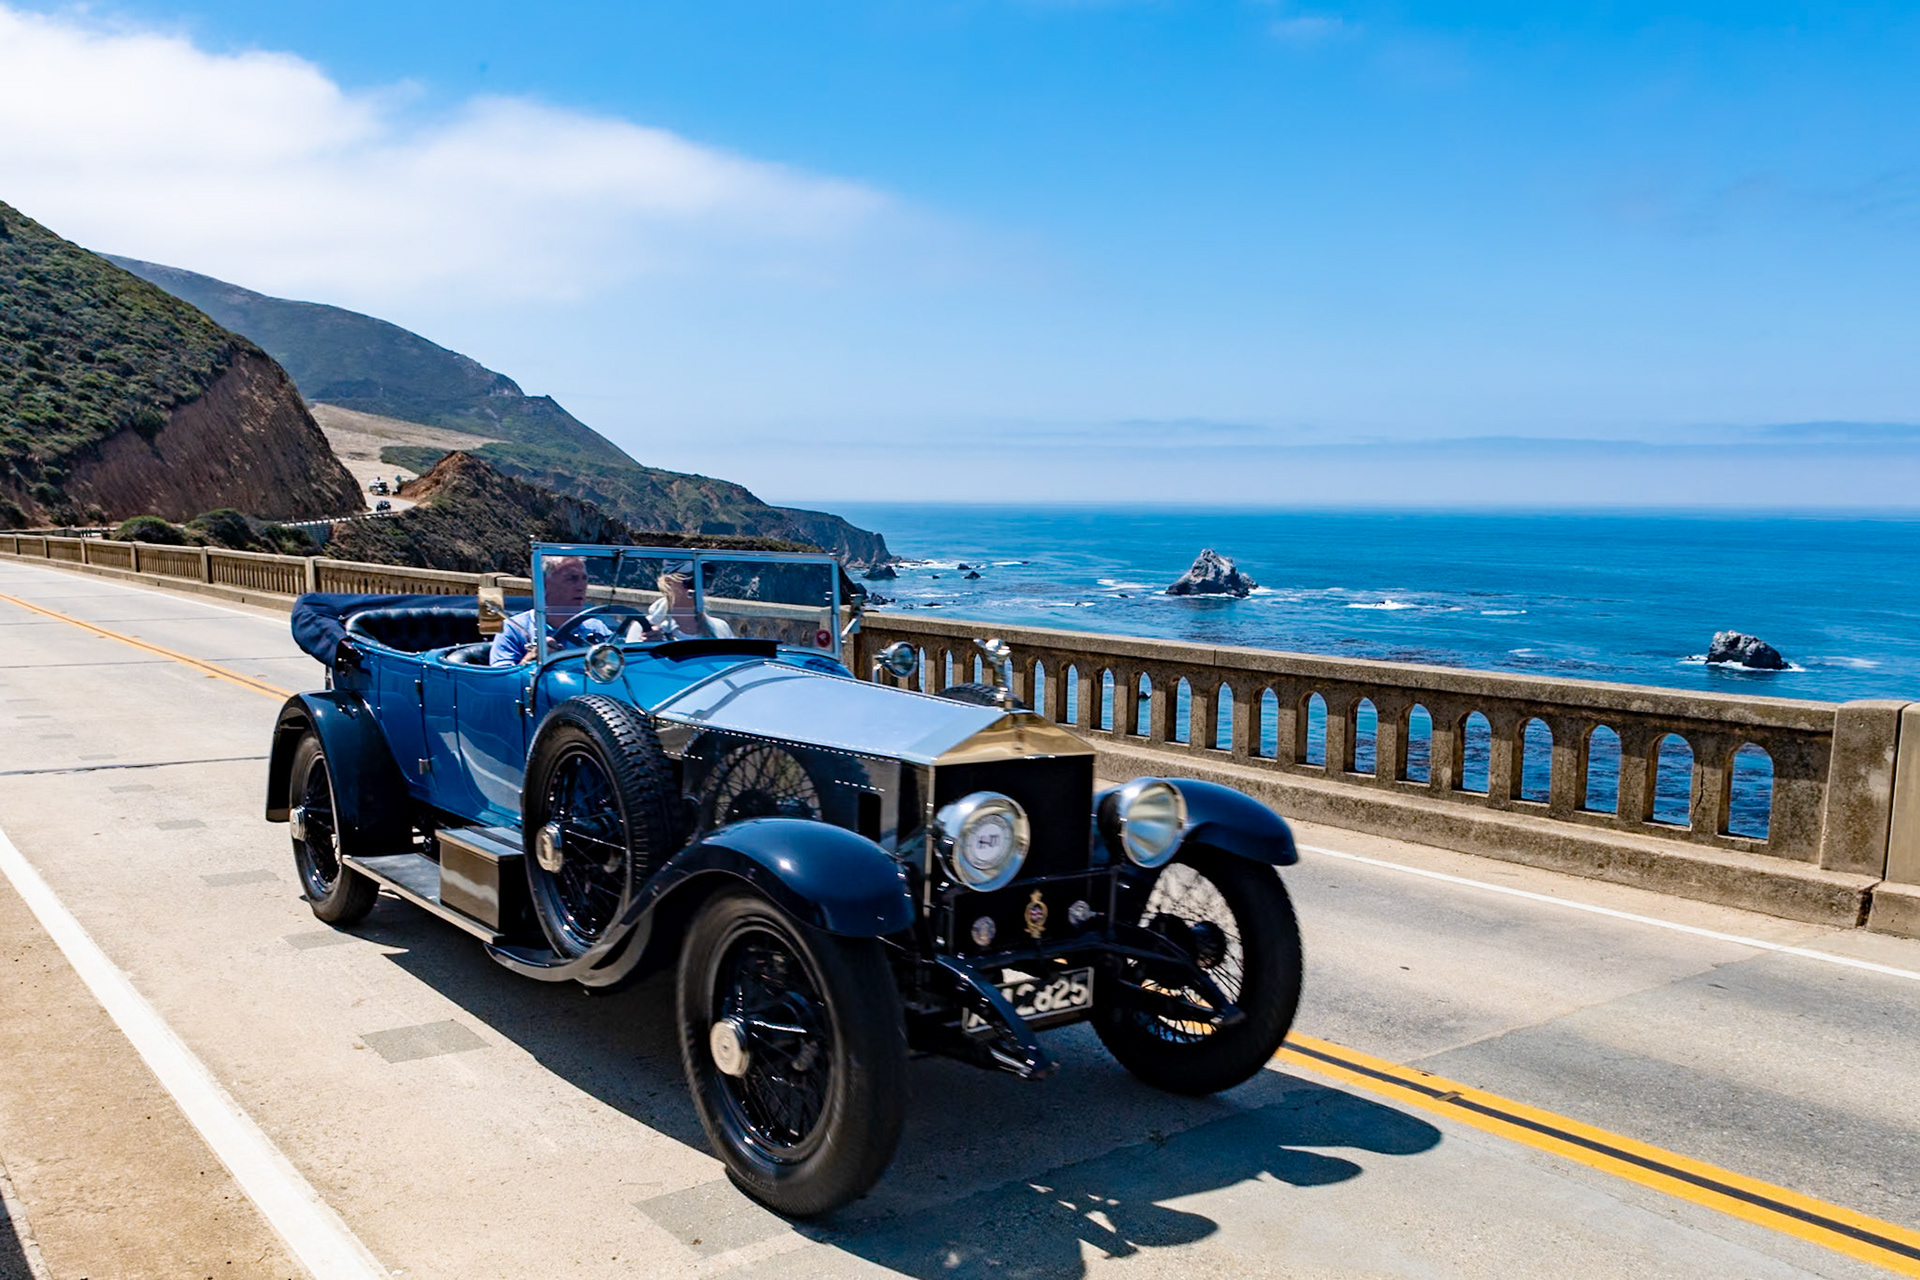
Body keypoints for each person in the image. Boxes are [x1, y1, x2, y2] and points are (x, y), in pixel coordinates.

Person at [489, 555, 613, 665]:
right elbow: (501, 678)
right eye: (571, 578)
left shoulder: (594, 628)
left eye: (584, 578)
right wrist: (531, 660)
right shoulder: (515, 629)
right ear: (544, 584)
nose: (581, 586)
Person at [644, 560, 734, 640]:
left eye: (704, 580)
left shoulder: (720, 628)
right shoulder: (646, 628)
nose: (698, 588)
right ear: (669, 583)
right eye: (691, 581)